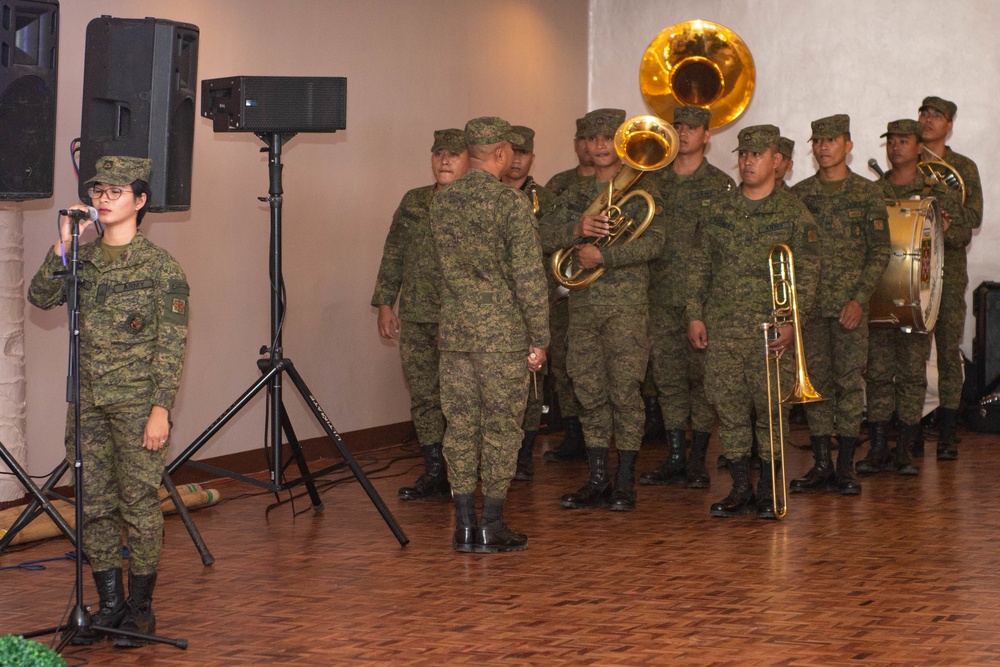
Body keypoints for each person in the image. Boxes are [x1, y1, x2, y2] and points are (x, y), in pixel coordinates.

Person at [28, 156, 189, 647]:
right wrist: (63, 243)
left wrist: (161, 409)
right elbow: (38, 297)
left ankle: (140, 610)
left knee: (138, 504)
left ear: (140, 201)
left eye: (116, 191)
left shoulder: (161, 268)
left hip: (138, 404)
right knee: (94, 505)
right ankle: (109, 605)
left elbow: (171, 344)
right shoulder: (80, 259)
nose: (103, 198)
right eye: (98, 190)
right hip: (88, 403)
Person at [429, 117, 549, 553]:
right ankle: (492, 524)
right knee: (501, 428)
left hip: (456, 334)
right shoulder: (510, 203)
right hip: (502, 337)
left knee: (459, 427)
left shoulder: (441, 202)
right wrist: (540, 337)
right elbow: (529, 277)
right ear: (500, 154)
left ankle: (463, 526)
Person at [688, 124, 820, 519]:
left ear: (777, 161)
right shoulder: (718, 209)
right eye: (743, 155)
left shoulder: (795, 215)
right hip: (724, 327)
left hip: (769, 331)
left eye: (757, 155)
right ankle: (741, 487)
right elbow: (698, 268)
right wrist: (694, 314)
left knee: (770, 413)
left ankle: (768, 490)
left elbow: (808, 276)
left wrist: (793, 323)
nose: (747, 162)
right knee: (728, 411)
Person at [540, 108, 666, 512]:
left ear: (622, 143)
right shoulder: (573, 195)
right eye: (592, 139)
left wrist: (605, 258)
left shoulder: (645, 187)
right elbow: (541, 235)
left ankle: (625, 481)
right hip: (583, 309)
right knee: (589, 392)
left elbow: (655, 243)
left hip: (626, 308)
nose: (599, 145)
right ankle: (597, 478)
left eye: (608, 138)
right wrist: (577, 229)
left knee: (625, 393)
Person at [788, 115, 890, 496]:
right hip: (811, 309)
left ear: (848, 145)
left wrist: (859, 298)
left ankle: (845, 467)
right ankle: (820, 465)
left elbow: (880, 252)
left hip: (849, 308)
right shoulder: (799, 197)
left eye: (831, 140)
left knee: (848, 385)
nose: (823, 147)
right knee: (815, 386)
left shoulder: (866, 194)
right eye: (817, 141)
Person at [859, 119, 967, 477]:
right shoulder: (873, 192)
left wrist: (948, 229)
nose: (895, 147)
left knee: (911, 374)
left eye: (903, 141)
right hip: (880, 296)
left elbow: (964, 230)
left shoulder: (937, 192)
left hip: (920, 297)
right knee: (877, 373)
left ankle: (904, 448)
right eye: (890, 141)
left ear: (919, 147)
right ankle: (877, 447)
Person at [371, 128, 468, 500]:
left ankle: (464, 472)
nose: (444, 160)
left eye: (454, 154)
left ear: (469, 161)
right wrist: (384, 303)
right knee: (425, 396)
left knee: (459, 399)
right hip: (416, 314)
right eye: (439, 153)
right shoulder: (414, 201)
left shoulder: (481, 204)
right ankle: (435, 471)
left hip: (462, 319)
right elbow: (393, 252)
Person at [641, 105, 734, 491]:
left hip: (703, 299)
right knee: (669, 380)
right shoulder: (652, 181)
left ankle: (697, 458)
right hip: (659, 294)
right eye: (679, 127)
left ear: (707, 136)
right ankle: (676, 456)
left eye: (693, 128)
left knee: (703, 381)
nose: (685, 133)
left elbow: (723, 248)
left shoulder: (721, 185)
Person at [918, 96, 982, 460]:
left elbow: (973, 216)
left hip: (950, 269)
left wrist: (950, 223)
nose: (928, 120)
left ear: (949, 124)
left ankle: (946, 431)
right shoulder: (909, 159)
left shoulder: (962, 167)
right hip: (914, 268)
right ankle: (910, 428)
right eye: (924, 113)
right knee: (911, 354)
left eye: (936, 115)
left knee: (946, 351)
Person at [501, 125, 556, 481]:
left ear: (532, 158)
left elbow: (558, 236)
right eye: (513, 152)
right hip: (495, 307)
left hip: (534, 298)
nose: (518, 159)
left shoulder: (546, 199)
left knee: (534, 383)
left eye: (525, 153)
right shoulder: (488, 195)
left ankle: (523, 456)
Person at [544, 117, 596, 197]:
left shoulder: (614, 181)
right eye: (583, 139)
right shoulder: (558, 182)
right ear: (575, 144)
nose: (587, 144)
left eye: (592, 139)